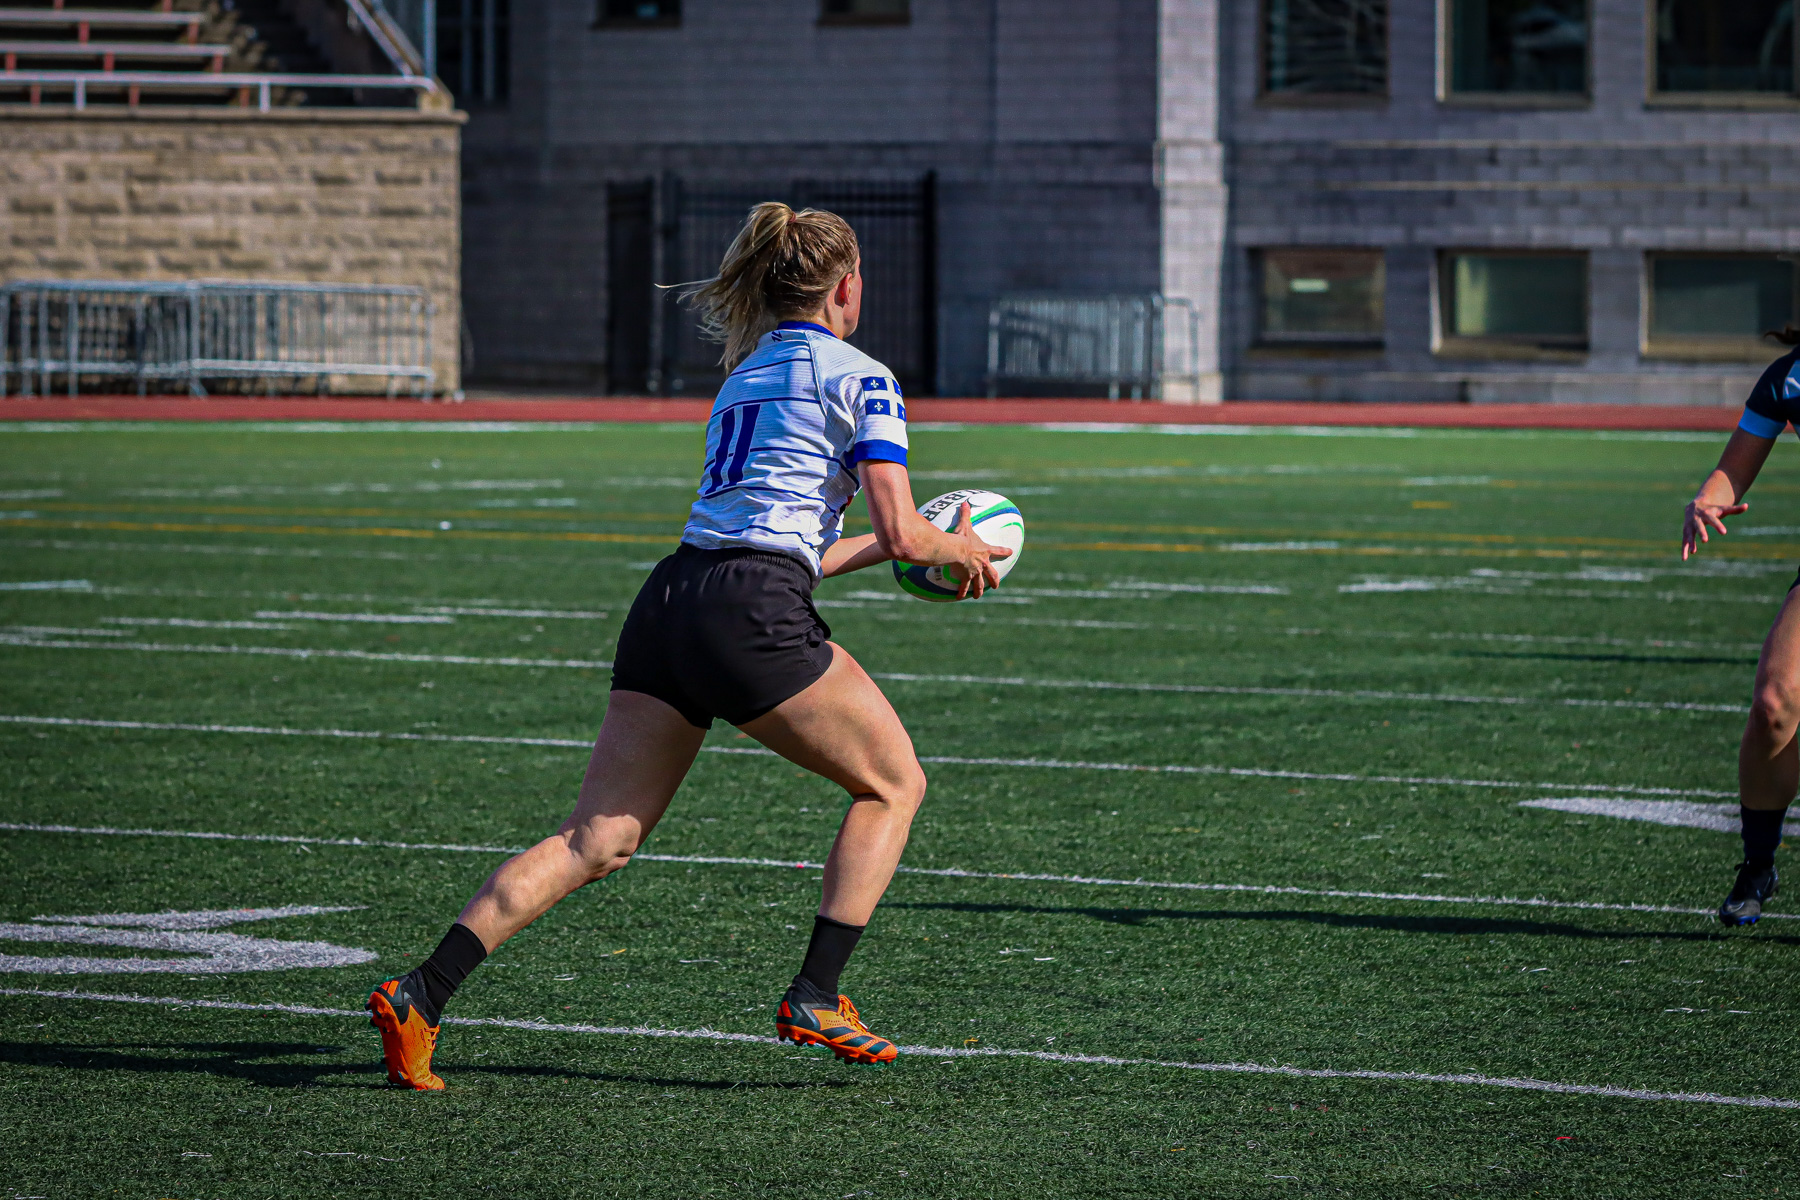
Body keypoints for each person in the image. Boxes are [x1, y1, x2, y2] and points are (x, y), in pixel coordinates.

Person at [366, 202, 1011, 1089]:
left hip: (673, 598)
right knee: (894, 785)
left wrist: (908, 547)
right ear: (847, 287)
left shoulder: (745, 375)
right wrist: (957, 548)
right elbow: (901, 530)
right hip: (750, 608)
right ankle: (817, 993)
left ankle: (422, 993)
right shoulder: (865, 377)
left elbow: (800, 547)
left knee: (595, 838)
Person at [1682, 327, 1800, 925]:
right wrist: (1708, 498)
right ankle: (1758, 864)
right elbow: (1733, 468)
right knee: (1774, 704)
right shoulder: (1790, 378)